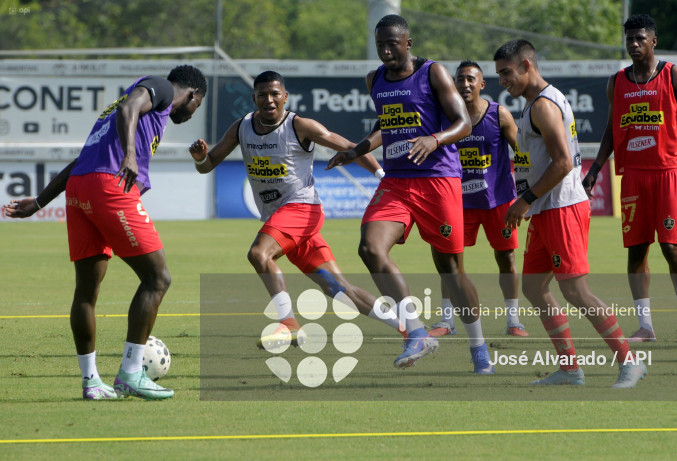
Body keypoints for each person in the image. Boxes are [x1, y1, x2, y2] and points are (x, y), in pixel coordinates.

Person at [2, 65, 207, 400]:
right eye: (196, 106)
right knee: (158, 279)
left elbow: (80, 161)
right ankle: (130, 374)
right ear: (194, 95)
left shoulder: (116, 112)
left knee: (86, 291)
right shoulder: (163, 89)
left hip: (81, 186)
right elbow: (130, 108)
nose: (191, 111)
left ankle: (92, 383)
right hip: (108, 186)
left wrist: (39, 202)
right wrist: (129, 155)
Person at [188, 71, 409, 352]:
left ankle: (289, 324)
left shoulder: (300, 125)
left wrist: (380, 174)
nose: (269, 100)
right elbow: (208, 165)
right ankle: (409, 330)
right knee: (338, 288)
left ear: (285, 97)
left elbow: (351, 147)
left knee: (259, 253)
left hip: (302, 209)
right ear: (254, 98)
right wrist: (199, 159)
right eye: (262, 95)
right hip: (280, 218)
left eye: (274, 94)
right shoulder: (241, 127)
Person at [327, 14, 493, 373]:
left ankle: (479, 345)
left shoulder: (432, 73)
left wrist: (434, 139)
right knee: (370, 247)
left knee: (451, 271)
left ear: (408, 43)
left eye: (392, 44)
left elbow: (463, 123)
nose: (385, 51)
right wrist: (358, 150)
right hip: (398, 181)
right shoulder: (375, 80)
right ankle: (416, 332)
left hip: (438, 179)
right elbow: (387, 125)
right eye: (380, 45)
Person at [495, 39, 646, 388]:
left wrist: (525, 199)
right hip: (547, 208)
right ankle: (569, 368)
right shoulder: (535, 102)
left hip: (560, 207)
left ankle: (630, 361)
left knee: (576, 291)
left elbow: (563, 163)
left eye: (506, 72)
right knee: (533, 287)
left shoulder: (543, 106)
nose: (502, 80)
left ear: (527, 65)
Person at [583, 14, 677, 344]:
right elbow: (612, 130)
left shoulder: (674, 75)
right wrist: (595, 169)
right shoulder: (617, 81)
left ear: (653, 41)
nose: (634, 44)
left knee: (671, 247)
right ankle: (645, 326)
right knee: (636, 252)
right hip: (632, 178)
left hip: (668, 174)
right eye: (629, 38)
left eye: (640, 38)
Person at [428, 60, 527, 338]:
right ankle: (447, 321)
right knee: (450, 260)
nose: (465, 84)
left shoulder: (500, 115)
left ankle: (513, 320)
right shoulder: (445, 117)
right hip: (458, 204)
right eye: (460, 79)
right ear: (453, 84)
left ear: (482, 84)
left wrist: (527, 194)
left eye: (471, 79)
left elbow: (522, 154)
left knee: (506, 258)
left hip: (499, 202)